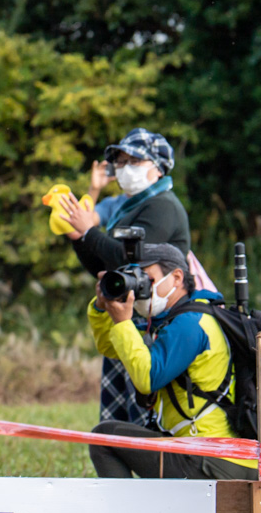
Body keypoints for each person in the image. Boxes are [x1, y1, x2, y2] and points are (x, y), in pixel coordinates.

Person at [86, 243, 257, 480]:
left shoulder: (191, 323)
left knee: (104, 438)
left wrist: (123, 322)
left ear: (176, 277)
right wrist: (101, 309)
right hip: (203, 452)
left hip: (214, 458)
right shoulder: (168, 322)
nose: (141, 290)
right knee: (109, 436)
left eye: (148, 280)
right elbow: (110, 346)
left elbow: (148, 379)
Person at [56, 128, 192, 424]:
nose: (125, 169)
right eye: (121, 162)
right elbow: (106, 267)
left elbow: (134, 261)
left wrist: (90, 232)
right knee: (114, 424)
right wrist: (80, 238)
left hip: (157, 321)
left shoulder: (163, 207)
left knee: (142, 417)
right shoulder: (128, 207)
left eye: (135, 161)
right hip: (128, 316)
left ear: (157, 169)